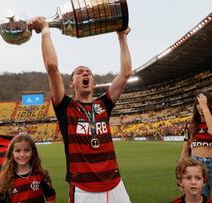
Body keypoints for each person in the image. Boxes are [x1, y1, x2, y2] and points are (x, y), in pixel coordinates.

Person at [29, 16, 132, 203]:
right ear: (72, 83)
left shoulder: (103, 105)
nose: (85, 73)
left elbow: (126, 73)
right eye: (79, 72)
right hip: (84, 190)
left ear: (94, 82)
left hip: (116, 185)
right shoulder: (65, 106)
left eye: (89, 73)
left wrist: (122, 37)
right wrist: (45, 31)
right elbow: (52, 68)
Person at [0, 134, 56, 203]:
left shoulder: (41, 174)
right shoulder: (7, 178)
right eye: (18, 151)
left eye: (26, 150)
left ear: (33, 152)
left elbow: (51, 198)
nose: (22, 154)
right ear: (12, 153)